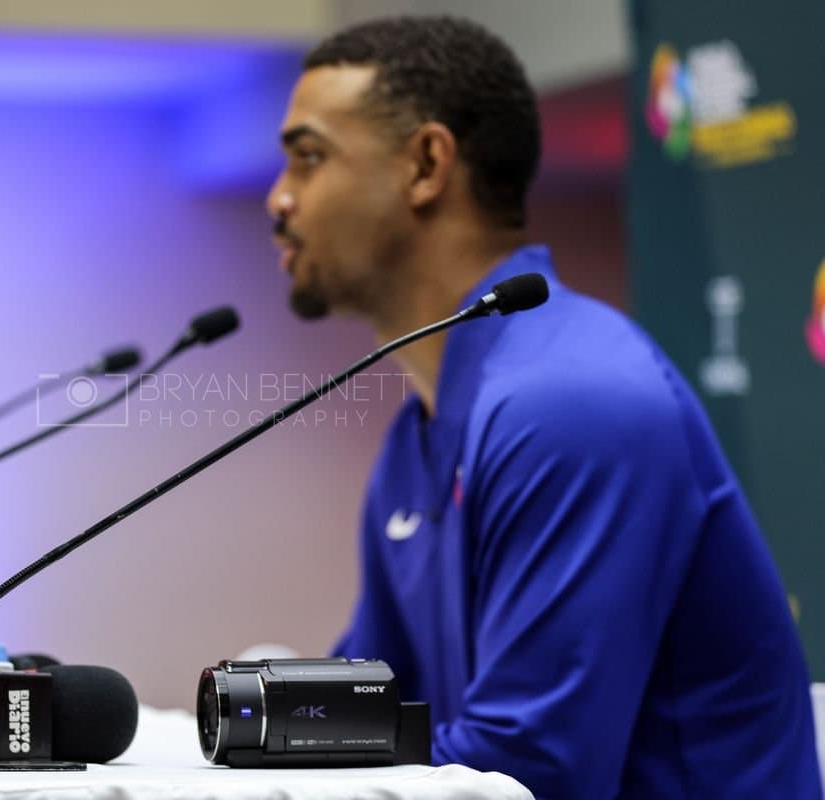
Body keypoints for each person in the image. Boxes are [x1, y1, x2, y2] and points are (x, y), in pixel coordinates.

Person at [266, 16, 821, 799]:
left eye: (309, 158)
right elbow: (365, 714)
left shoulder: (572, 401)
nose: (278, 199)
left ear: (427, 164)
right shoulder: (418, 435)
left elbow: (528, 773)